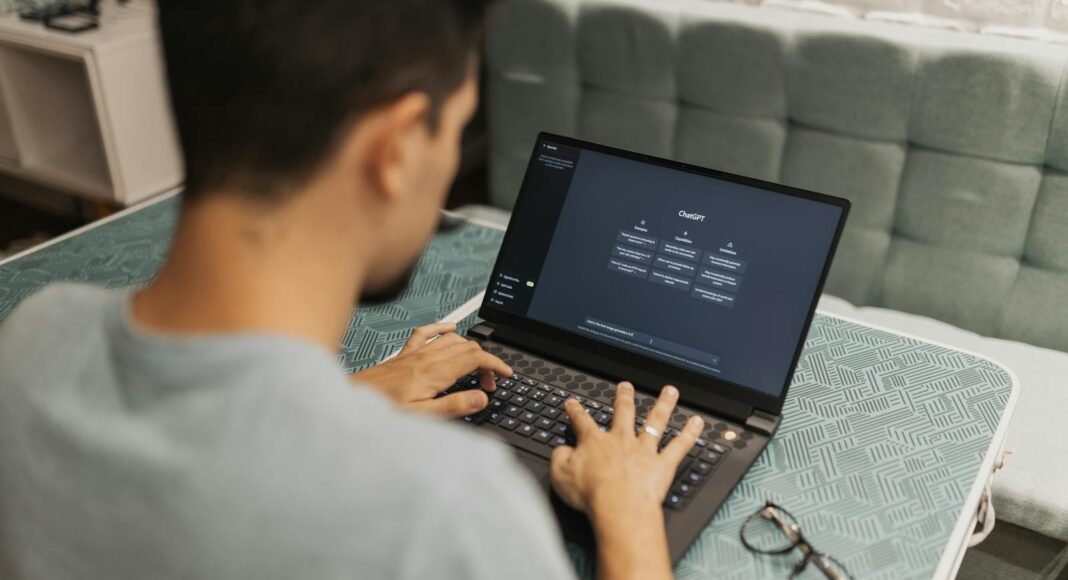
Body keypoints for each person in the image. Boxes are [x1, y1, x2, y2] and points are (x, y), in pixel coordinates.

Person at [0, 2, 705, 579]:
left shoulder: (31, 342)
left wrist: (348, 400)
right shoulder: (446, 511)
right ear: (395, 149)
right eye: (456, 127)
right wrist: (629, 515)